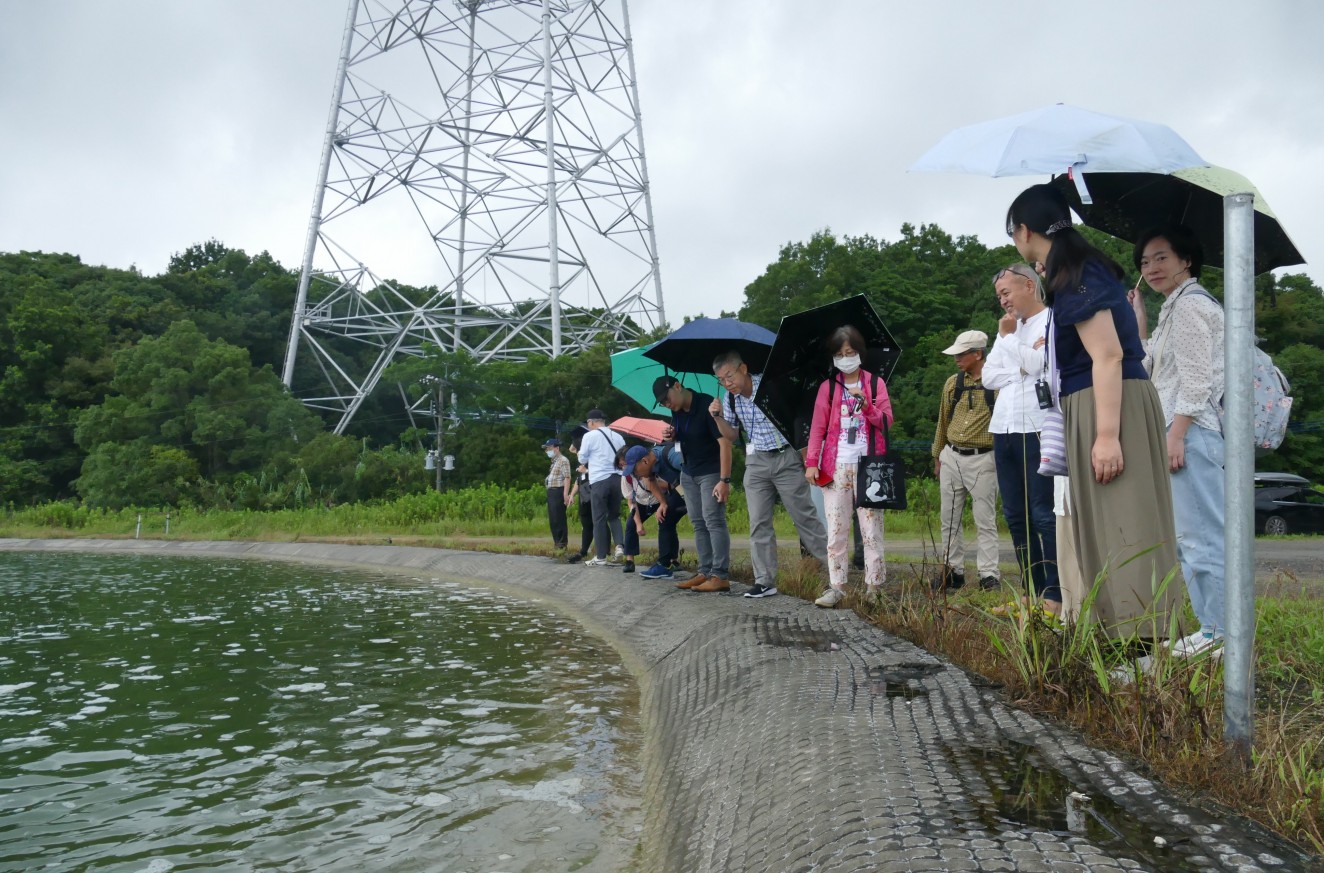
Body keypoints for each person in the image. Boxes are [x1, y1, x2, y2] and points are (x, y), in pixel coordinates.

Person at [1006, 182, 1182, 640]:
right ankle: (1122, 637)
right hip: (1098, 400)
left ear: (1024, 232)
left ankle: (1143, 642)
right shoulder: (1074, 270)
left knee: (1125, 521)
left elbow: (1107, 355)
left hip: (1108, 401)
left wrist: (1107, 436)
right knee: (1105, 523)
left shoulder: (1077, 275)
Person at [1130, 225, 1226, 656]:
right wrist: (1142, 325)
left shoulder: (1190, 306)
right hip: (1183, 430)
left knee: (1202, 534)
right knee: (1191, 535)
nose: (1151, 268)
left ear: (1186, 260)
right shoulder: (1177, 305)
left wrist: (1177, 433)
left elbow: (1197, 381)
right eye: (1145, 261)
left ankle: (1220, 633)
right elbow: (1156, 369)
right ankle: (1213, 627)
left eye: (1161, 257)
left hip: (1192, 431)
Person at [710, 351, 828, 599]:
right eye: (721, 380)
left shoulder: (771, 384)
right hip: (757, 462)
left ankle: (834, 573)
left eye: (729, 376)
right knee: (758, 522)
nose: (726, 383)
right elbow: (731, 436)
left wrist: (807, 455)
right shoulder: (729, 399)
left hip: (786, 456)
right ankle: (764, 580)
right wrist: (718, 417)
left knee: (804, 517)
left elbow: (798, 415)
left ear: (743, 368)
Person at [983, 264, 1061, 613]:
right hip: (1004, 427)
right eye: (999, 295)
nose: (1003, 301)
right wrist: (1017, 357)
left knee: (1043, 512)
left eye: (1006, 292)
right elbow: (988, 377)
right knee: (1015, 514)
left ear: (1029, 285)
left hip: (1039, 426)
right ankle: (1032, 591)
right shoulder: (1010, 330)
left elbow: (1042, 364)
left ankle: (1056, 595)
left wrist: (1009, 341)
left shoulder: (1053, 321)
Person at [803, 325, 893, 608]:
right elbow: (817, 429)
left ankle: (874, 588)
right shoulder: (828, 388)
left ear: (860, 353)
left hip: (870, 467)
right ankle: (837, 587)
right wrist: (811, 463)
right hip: (836, 465)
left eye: (850, 352)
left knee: (871, 530)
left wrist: (868, 407)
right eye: (840, 354)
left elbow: (887, 422)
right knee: (837, 529)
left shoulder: (876, 384)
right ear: (834, 357)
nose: (846, 358)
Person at [930, 330, 1001, 592]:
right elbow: (943, 420)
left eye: (962, 354)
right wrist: (938, 455)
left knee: (985, 518)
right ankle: (953, 571)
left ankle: (989, 575)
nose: (957, 359)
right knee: (949, 517)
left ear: (978, 354)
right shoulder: (953, 383)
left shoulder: (996, 383)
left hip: (983, 457)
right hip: (952, 455)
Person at [655, 376, 733, 591]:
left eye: (666, 399)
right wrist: (673, 435)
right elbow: (685, 437)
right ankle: (705, 571)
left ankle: (720, 575)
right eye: (662, 403)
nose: (666, 404)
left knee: (713, 520)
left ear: (677, 386)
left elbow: (725, 443)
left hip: (711, 471)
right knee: (698, 522)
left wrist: (724, 480)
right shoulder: (676, 411)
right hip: (688, 471)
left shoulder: (707, 405)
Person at [618, 443, 689, 578]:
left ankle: (710, 570)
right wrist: (663, 503)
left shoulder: (671, 456)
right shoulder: (648, 468)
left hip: (694, 490)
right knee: (662, 518)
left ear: (644, 461)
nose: (634, 473)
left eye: (634, 469)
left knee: (704, 523)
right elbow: (649, 483)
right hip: (671, 494)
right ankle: (663, 564)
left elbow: (693, 473)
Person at [576, 409, 625, 566]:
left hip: (599, 480)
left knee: (598, 519)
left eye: (588, 423)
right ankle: (619, 546)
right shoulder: (618, 436)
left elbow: (582, 458)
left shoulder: (589, 436)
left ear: (591, 422)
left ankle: (601, 556)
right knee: (614, 516)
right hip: (618, 479)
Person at [564, 436, 596, 563]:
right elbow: (579, 480)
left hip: (594, 493)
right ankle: (583, 550)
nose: (576, 453)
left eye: (578, 450)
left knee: (599, 523)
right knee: (586, 524)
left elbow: (600, 475)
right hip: (583, 496)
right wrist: (572, 495)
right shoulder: (581, 460)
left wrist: (587, 470)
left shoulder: (593, 459)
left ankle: (605, 551)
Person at [542, 437, 571, 551]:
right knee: (553, 519)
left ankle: (562, 543)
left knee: (559, 518)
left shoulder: (563, 460)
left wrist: (565, 494)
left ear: (556, 448)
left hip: (558, 491)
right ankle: (557, 542)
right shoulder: (554, 462)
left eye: (549, 448)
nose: (547, 451)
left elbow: (567, 477)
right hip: (551, 492)